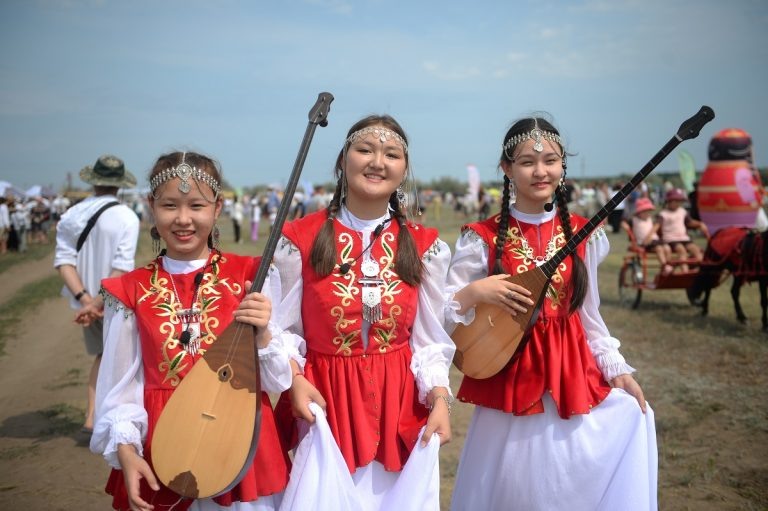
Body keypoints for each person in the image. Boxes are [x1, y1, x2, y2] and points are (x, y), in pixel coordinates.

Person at [446, 116, 657, 511]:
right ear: (507, 169)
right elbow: (443, 312)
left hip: (571, 371)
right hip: (508, 371)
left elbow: (589, 314)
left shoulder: (585, 232)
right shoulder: (483, 237)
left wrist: (617, 369)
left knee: (565, 478)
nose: (540, 171)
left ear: (563, 167)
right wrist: (477, 291)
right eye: (527, 161)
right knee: (512, 486)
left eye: (551, 160)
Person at [90, 151, 291, 511]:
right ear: (151, 207)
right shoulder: (130, 292)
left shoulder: (250, 277)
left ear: (217, 208)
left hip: (238, 437)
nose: (183, 219)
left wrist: (262, 336)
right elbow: (119, 388)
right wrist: (126, 448)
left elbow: (276, 381)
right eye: (169, 205)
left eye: (196, 205)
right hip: (163, 446)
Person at [273, 115, 455, 509]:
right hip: (325, 404)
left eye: (391, 154)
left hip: (400, 406)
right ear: (343, 160)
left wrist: (439, 397)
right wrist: (295, 379)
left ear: (403, 170)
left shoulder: (425, 247)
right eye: (365, 150)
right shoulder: (299, 240)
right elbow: (283, 330)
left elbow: (429, 341)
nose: (377, 162)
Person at [54, 155, 141, 434]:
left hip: (85, 299)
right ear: (120, 184)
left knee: (103, 356)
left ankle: (92, 415)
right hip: (115, 300)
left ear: (94, 181)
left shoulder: (72, 214)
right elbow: (121, 268)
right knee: (117, 359)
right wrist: (96, 304)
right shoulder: (127, 217)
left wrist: (84, 300)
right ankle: (106, 416)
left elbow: (63, 261)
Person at [658, 187, 709, 272]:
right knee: (681, 251)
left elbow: (689, 222)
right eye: (675, 201)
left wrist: (700, 224)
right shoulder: (663, 214)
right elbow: (658, 227)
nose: (678, 203)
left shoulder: (682, 211)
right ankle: (685, 271)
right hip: (671, 239)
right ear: (669, 201)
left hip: (684, 238)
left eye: (679, 201)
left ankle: (701, 270)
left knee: (696, 250)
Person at [625, 197, 674, 276]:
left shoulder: (650, 219)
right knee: (659, 249)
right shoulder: (634, 220)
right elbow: (623, 222)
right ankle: (665, 266)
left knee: (667, 248)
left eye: (648, 212)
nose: (646, 214)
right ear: (639, 212)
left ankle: (667, 265)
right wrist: (626, 228)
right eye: (644, 212)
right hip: (644, 242)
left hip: (655, 240)